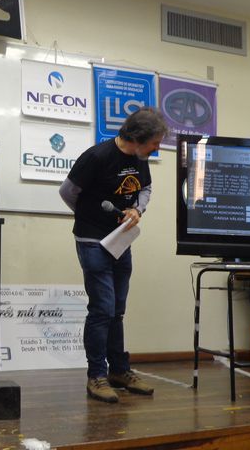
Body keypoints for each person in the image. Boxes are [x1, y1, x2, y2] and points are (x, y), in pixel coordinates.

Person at [59, 107, 168, 403]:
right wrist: (88, 216)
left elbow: (145, 188)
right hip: (92, 239)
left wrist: (137, 209)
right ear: (138, 137)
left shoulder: (140, 158)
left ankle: (119, 371)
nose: (157, 148)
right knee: (102, 309)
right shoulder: (97, 157)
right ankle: (96, 376)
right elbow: (67, 192)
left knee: (117, 310)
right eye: (155, 143)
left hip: (121, 239)